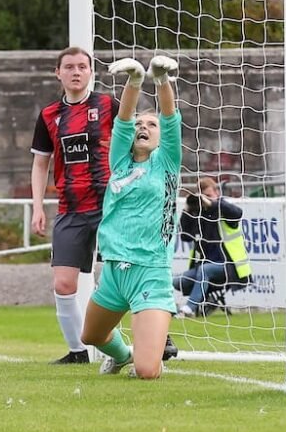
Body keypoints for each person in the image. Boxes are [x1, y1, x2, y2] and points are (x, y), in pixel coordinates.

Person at [79, 55, 181, 379]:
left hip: (150, 272)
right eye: (140, 124)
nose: (143, 128)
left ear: (161, 137)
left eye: (150, 125)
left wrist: (161, 80)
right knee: (91, 337)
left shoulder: (167, 163)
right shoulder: (120, 164)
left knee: (148, 371)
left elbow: (170, 118)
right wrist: (135, 83)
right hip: (114, 270)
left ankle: (147, 353)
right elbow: (122, 121)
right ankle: (120, 355)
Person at [30, 46, 119, 364]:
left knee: (122, 276)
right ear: (58, 72)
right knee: (64, 282)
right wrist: (38, 207)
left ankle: (155, 336)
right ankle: (77, 352)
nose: (76, 71)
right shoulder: (49, 115)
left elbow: (137, 143)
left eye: (82, 66)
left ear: (91, 71)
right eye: (69, 66)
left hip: (111, 206)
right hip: (71, 208)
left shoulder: (109, 105)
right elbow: (41, 164)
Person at [173, 177, 251, 317]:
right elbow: (185, 236)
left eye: (209, 195)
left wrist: (213, 203)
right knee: (178, 281)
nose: (206, 199)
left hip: (229, 266)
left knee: (204, 270)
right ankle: (207, 300)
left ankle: (189, 309)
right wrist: (187, 209)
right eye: (203, 196)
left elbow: (237, 213)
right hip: (204, 267)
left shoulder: (223, 209)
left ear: (217, 193)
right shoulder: (199, 214)